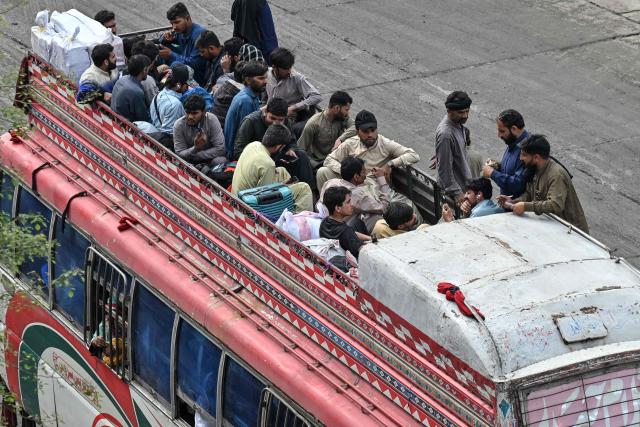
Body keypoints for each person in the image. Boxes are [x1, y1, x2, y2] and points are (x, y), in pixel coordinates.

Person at [497, 134, 588, 233]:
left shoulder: (556, 175)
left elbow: (555, 205)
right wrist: (512, 202)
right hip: (552, 226)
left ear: (536, 157)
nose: (520, 158)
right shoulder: (532, 169)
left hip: (572, 231)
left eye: (524, 155)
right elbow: (529, 194)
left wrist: (525, 206)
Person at [317, 110, 420, 191]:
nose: (370, 135)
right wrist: (348, 172)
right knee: (322, 172)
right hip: (350, 179)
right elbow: (329, 160)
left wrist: (390, 164)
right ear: (357, 132)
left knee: (365, 187)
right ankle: (328, 209)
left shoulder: (385, 143)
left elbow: (413, 155)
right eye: (365, 131)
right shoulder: (350, 143)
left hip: (371, 184)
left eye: (373, 130)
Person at [233, 98, 315, 188]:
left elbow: (292, 141)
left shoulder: (285, 122)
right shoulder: (250, 122)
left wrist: (290, 149)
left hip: (277, 157)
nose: (275, 123)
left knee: (301, 155)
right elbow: (238, 151)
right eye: (272, 118)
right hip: (257, 163)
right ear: (265, 112)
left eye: (280, 120)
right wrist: (261, 159)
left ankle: (309, 189)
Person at [232, 124, 313, 213]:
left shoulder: (253, 145)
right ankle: (299, 219)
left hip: (237, 194)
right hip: (248, 204)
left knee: (282, 171)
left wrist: (281, 185)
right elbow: (265, 197)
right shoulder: (268, 164)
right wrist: (282, 186)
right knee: (304, 188)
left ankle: (288, 204)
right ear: (279, 146)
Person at [321, 156, 392, 233]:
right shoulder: (356, 194)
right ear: (356, 177)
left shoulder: (331, 182)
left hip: (326, 224)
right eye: (363, 172)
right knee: (377, 217)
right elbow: (384, 208)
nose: (365, 175)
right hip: (344, 228)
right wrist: (381, 178)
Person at [266, 48, 322, 136]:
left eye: (290, 67)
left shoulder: (297, 78)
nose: (289, 71)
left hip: (287, 117)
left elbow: (316, 96)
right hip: (269, 112)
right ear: (274, 67)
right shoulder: (267, 74)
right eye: (285, 69)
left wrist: (293, 108)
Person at [298, 91, 356, 172]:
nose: (347, 113)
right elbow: (300, 150)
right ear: (337, 108)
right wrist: (315, 165)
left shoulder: (342, 117)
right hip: (321, 165)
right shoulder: (314, 123)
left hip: (337, 160)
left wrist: (340, 139)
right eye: (346, 109)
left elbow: (356, 127)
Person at [435, 91, 473, 205]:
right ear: (449, 112)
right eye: (461, 112)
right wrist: (457, 193)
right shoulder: (446, 134)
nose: (465, 116)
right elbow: (444, 170)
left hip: (465, 186)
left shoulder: (457, 124)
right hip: (457, 194)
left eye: (467, 111)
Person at [224, 60, 269, 157]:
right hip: (236, 153)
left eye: (265, 77)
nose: (265, 81)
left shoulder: (251, 95)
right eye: (261, 78)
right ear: (248, 80)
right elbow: (244, 133)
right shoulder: (246, 101)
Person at [158, 2, 207, 86]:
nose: (174, 26)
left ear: (187, 18)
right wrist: (167, 39)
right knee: (162, 50)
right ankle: (162, 83)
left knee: (173, 67)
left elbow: (195, 64)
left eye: (177, 22)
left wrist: (171, 54)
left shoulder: (200, 35)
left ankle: (164, 85)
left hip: (195, 77)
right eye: (172, 23)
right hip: (180, 70)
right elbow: (161, 40)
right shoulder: (180, 31)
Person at [482, 109, 528, 198]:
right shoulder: (512, 142)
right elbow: (512, 171)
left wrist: (492, 173)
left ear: (514, 129)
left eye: (502, 131)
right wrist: (497, 167)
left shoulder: (526, 150)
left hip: (516, 207)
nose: (499, 135)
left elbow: (518, 184)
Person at [320, 186, 372, 260]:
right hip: (352, 262)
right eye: (348, 202)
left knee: (357, 222)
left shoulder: (324, 222)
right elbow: (363, 252)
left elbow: (351, 233)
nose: (352, 205)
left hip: (334, 255)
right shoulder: (346, 232)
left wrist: (369, 238)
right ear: (338, 208)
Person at [173, 94, 226, 166]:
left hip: (208, 160)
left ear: (204, 112)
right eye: (187, 112)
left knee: (220, 161)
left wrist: (196, 155)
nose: (190, 117)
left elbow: (221, 149)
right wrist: (195, 148)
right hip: (189, 163)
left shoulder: (211, 119)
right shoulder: (179, 125)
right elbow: (179, 153)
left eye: (194, 113)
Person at [149, 63, 189, 149]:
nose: (188, 87)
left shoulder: (159, 95)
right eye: (186, 83)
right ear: (179, 85)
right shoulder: (175, 104)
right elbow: (170, 135)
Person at [111, 54, 151, 123]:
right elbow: (143, 118)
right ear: (144, 70)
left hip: (115, 118)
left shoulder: (122, 79)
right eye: (148, 69)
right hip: (126, 126)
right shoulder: (136, 92)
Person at [212, 62, 245, 128]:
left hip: (215, 127)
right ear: (247, 79)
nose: (265, 81)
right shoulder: (243, 97)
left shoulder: (224, 86)